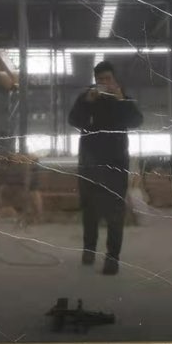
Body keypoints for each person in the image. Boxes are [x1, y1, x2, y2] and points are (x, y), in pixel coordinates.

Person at [68, 61, 143, 275]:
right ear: (95, 81)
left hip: (116, 165)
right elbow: (73, 120)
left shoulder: (123, 99)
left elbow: (137, 121)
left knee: (115, 212)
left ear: (115, 80)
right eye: (100, 79)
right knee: (89, 209)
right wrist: (87, 103)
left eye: (107, 79)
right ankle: (89, 250)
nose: (104, 83)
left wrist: (121, 99)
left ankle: (112, 258)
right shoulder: (86, 99)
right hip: (89, 164)